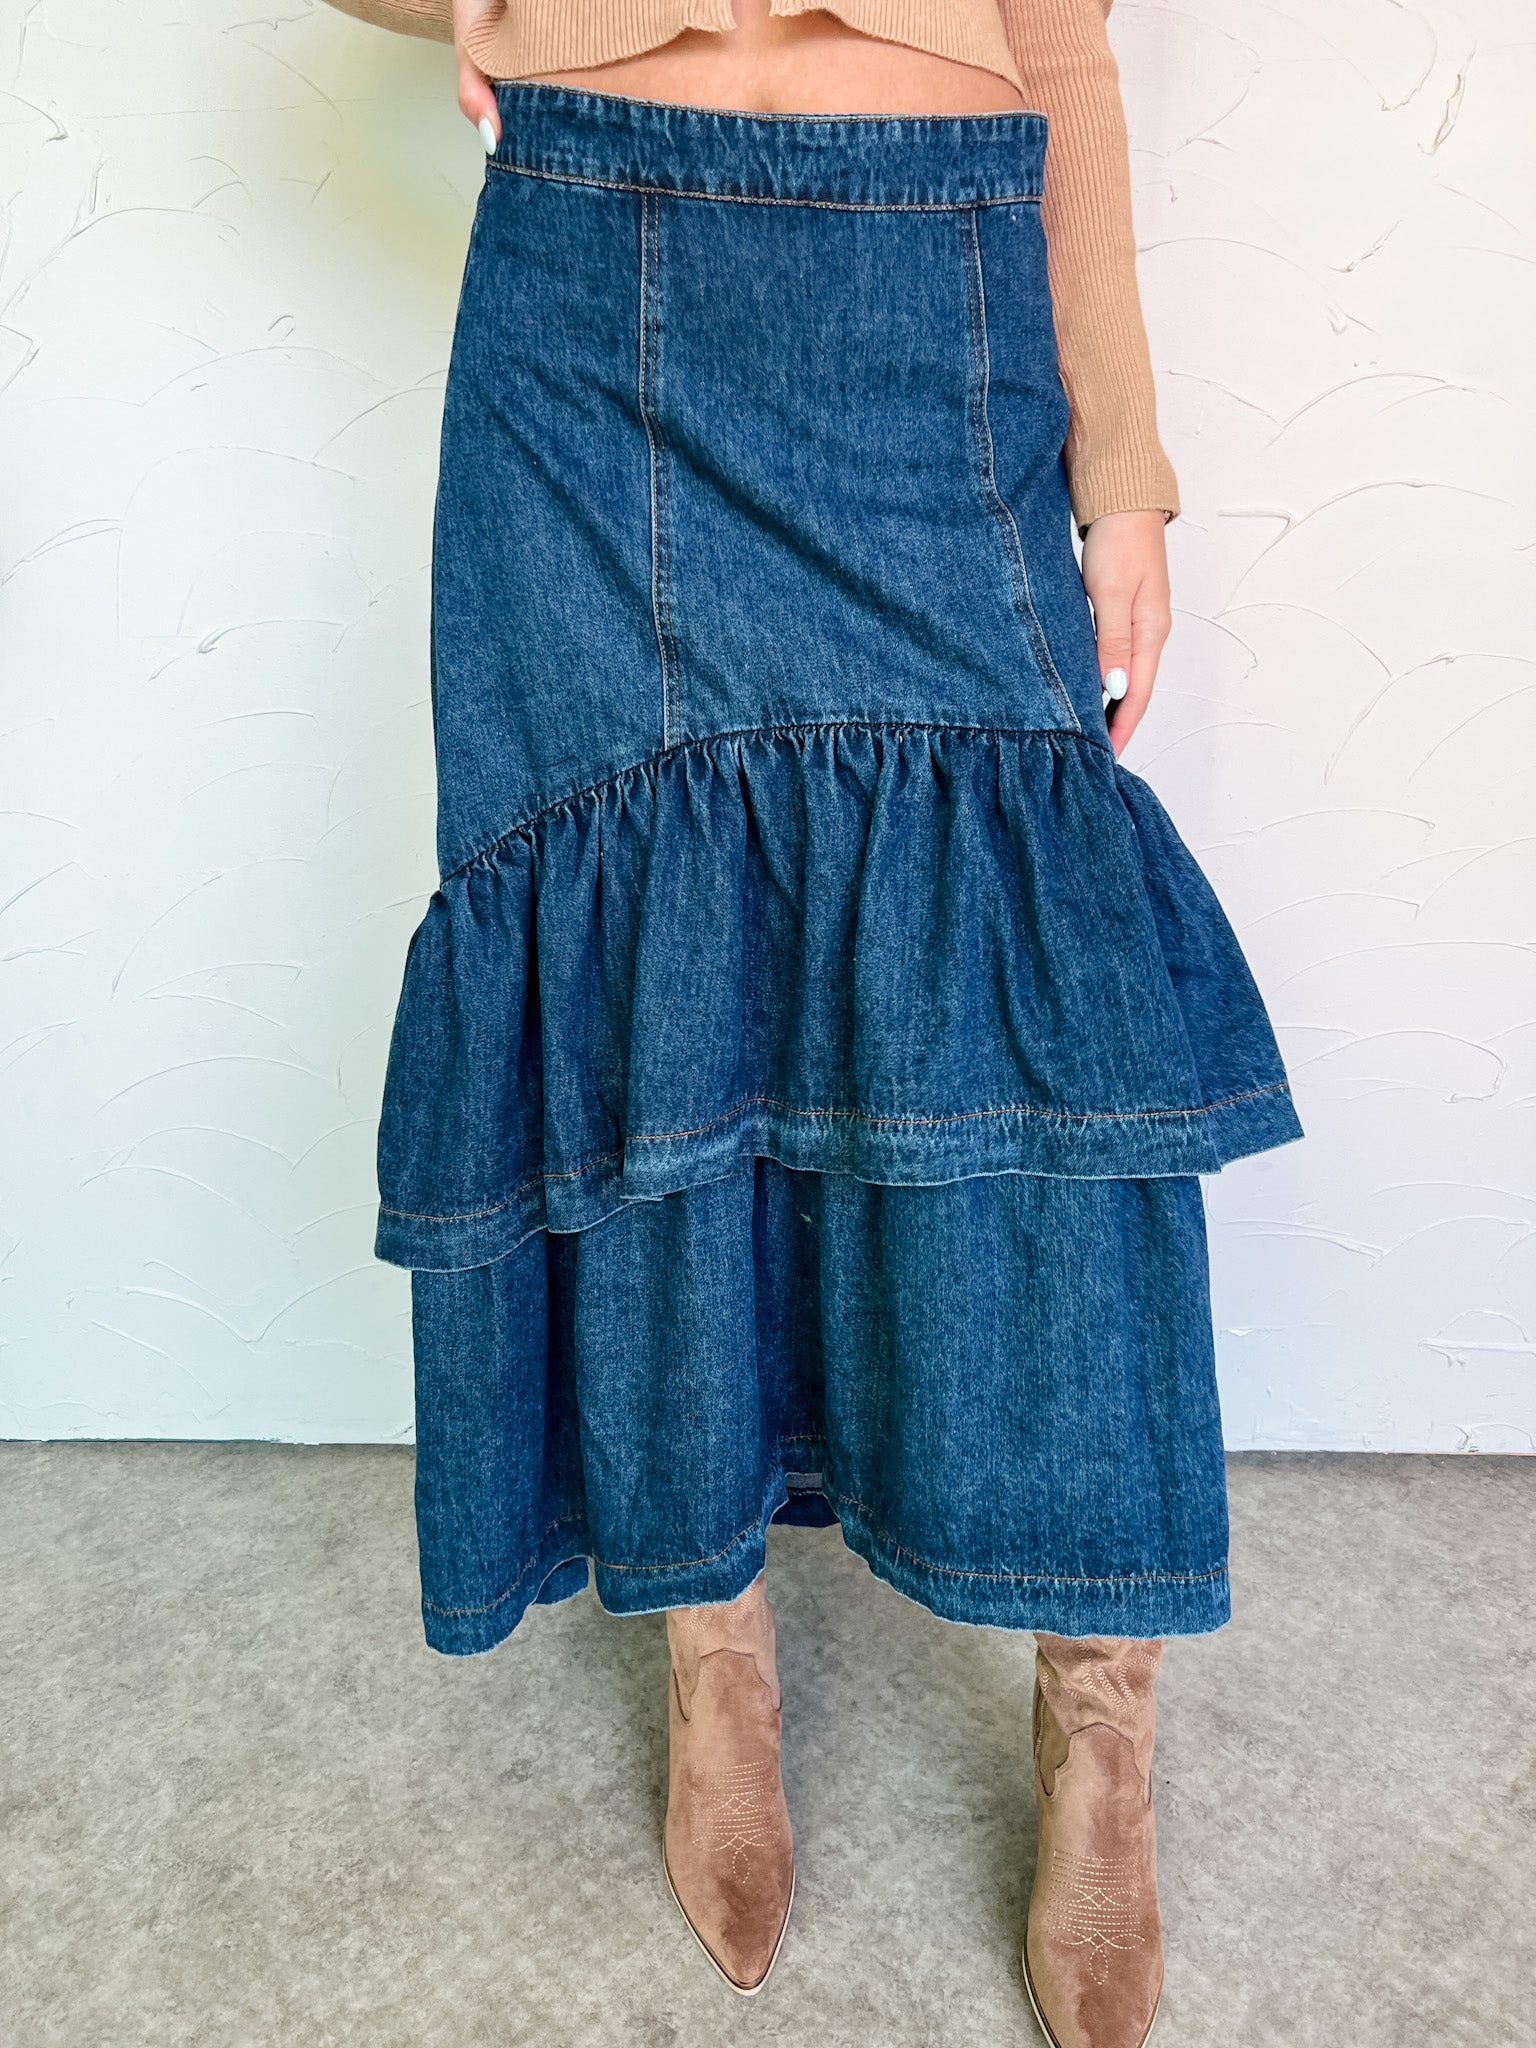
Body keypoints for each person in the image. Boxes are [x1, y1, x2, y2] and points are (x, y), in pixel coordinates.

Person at [321, 4, 1303, 2041]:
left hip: (933, 276)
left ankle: (1099, 1720)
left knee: (1033, 1038)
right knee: (656, 1014)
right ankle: (715, 1649)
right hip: (588, 290)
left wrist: (1122, 469)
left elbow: (1077, 59)